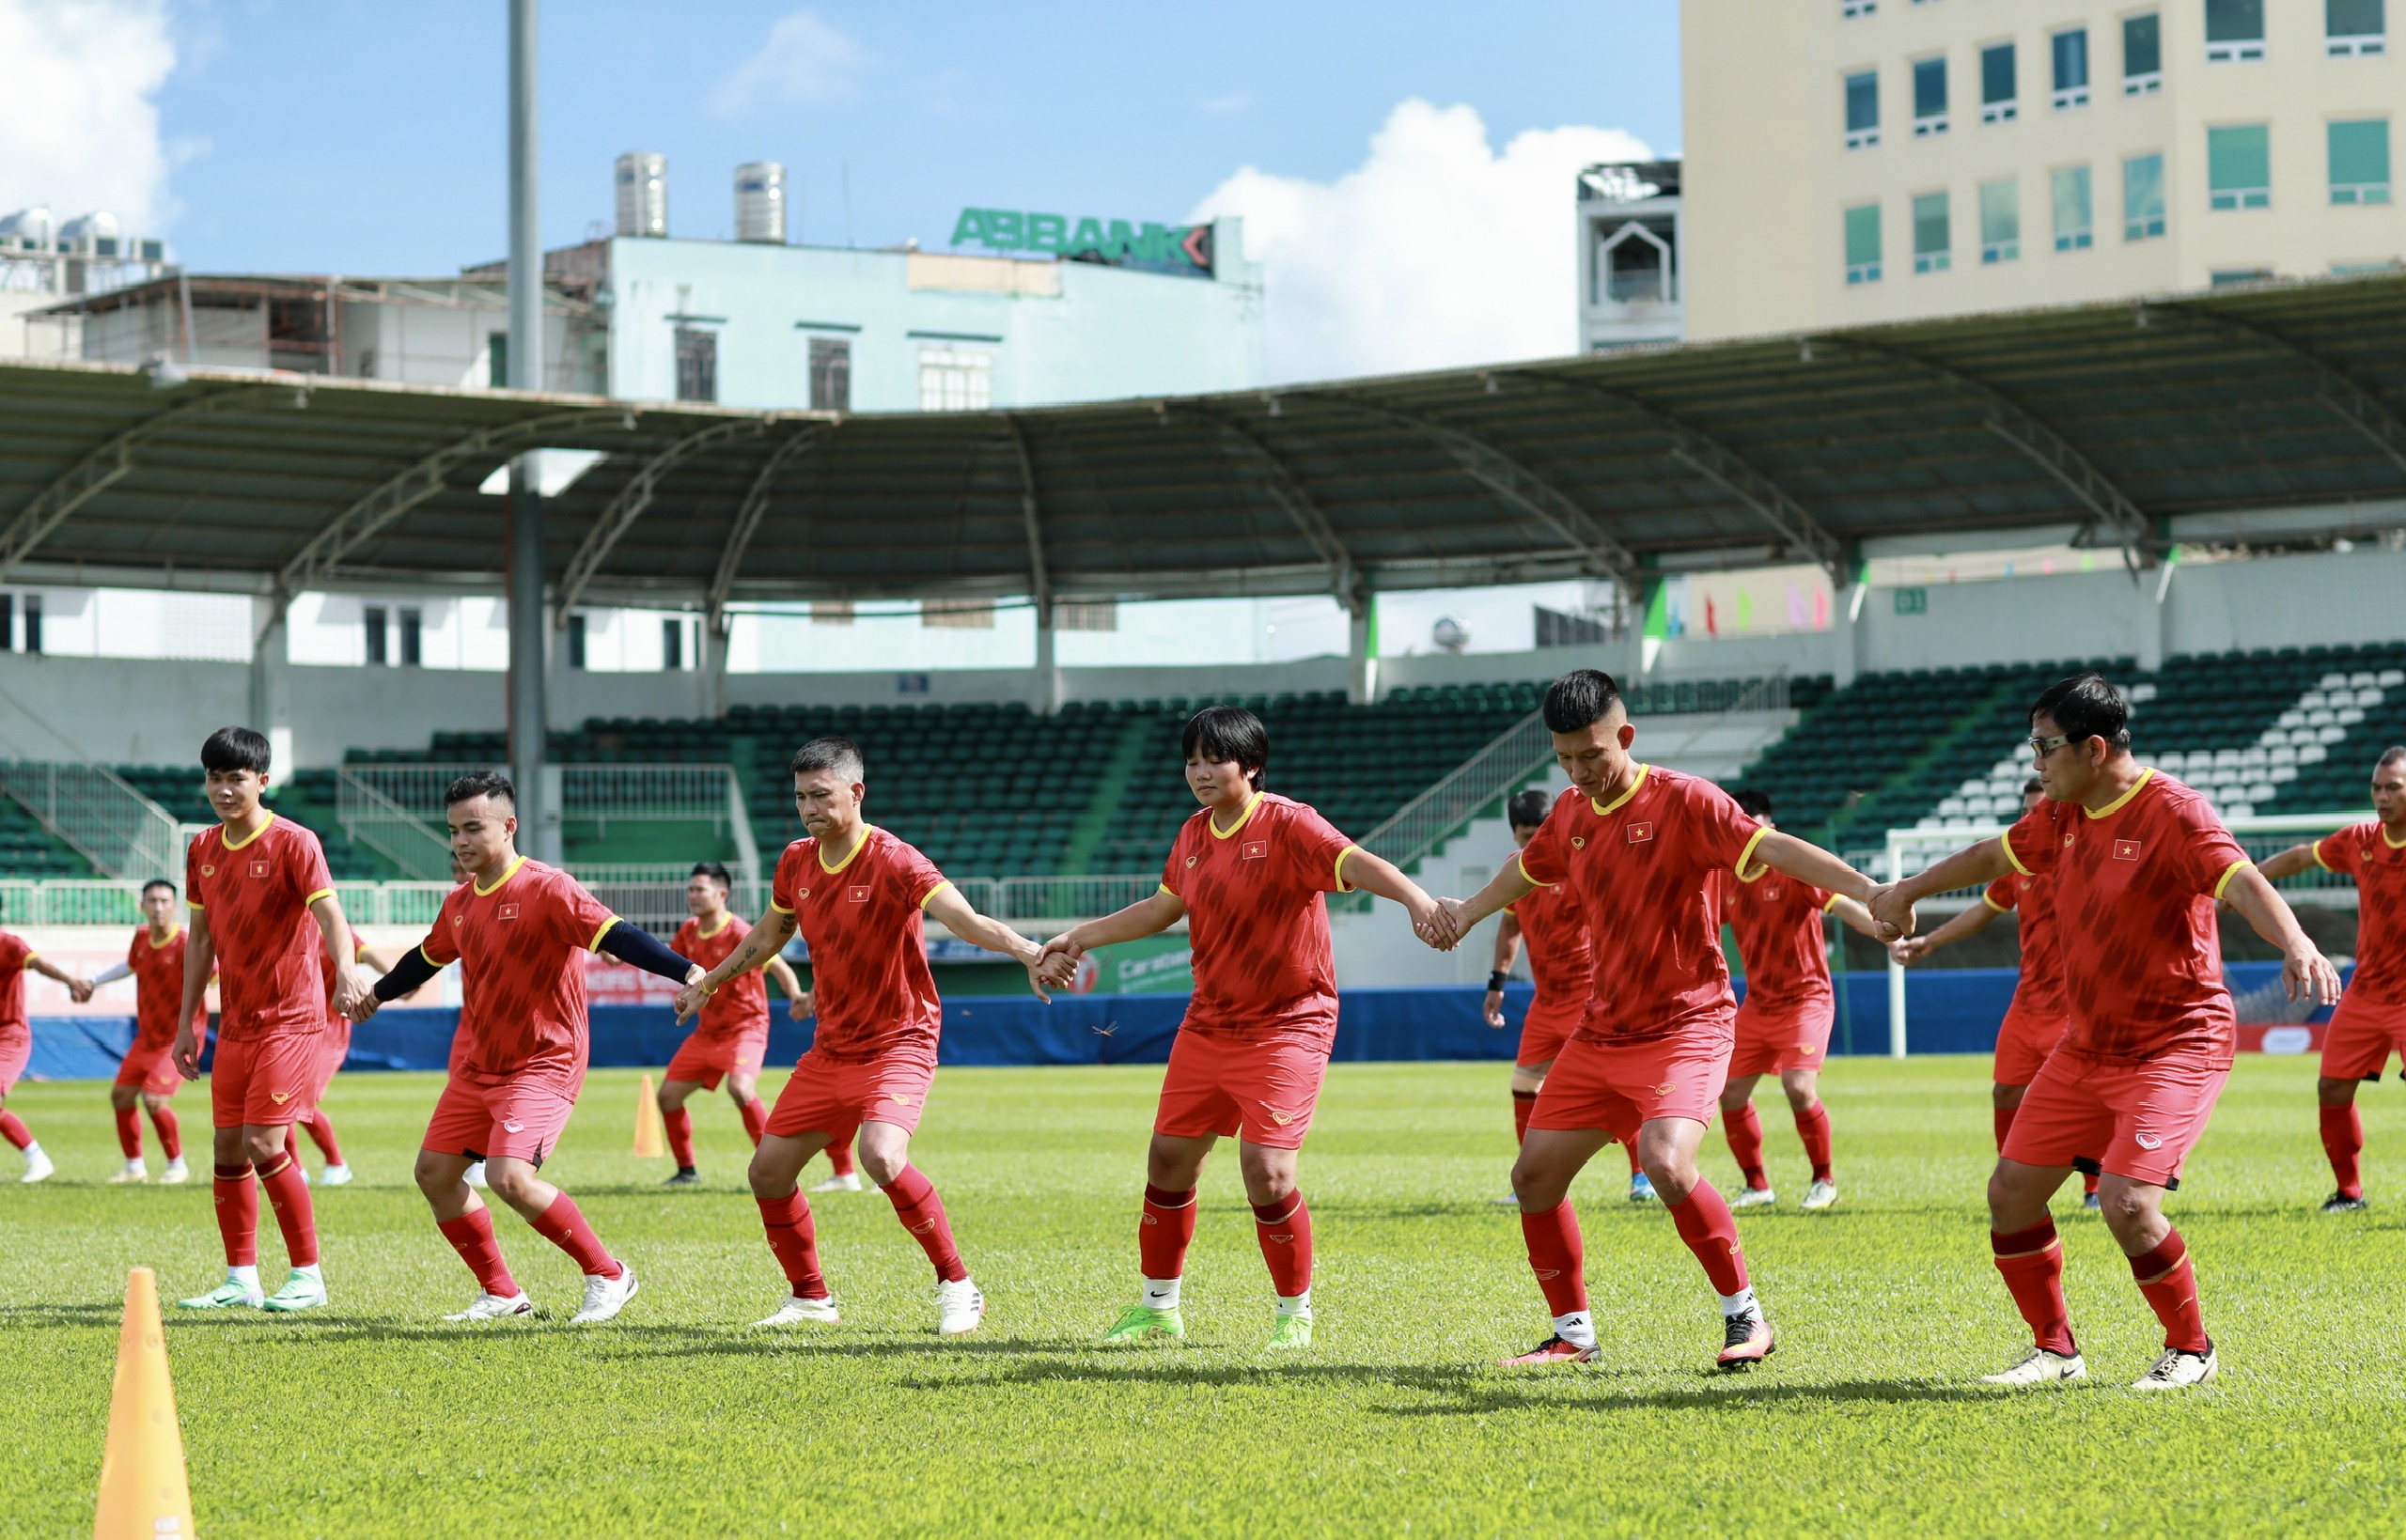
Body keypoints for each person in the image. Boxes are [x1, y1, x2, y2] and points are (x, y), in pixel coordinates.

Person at [1874, 674, 2340, 1391]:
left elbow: (2242, 879)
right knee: (2010, 1195)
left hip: (2178, 1041)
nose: (2036, 762)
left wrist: (2296, 939)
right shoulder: (2061, 815)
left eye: (2044, 747)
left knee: (2126, 1202)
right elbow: (1993, 856)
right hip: (2087, 1043)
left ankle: (2192, 1346)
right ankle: (2057, 1351)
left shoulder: (2174, 811)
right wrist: (1908, 890)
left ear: (2094, 748)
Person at [1432, 670, 1901, 1372]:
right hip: (1602, 1031)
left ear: (1625, 736)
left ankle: (1747, 1316)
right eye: (1564, 758)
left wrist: (1870, 889)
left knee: (1665, 1161)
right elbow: (1525, 871)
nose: (1579, 771)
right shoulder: (1568, 814)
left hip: (1689, 1024)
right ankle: (1573, 1334)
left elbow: (1773, 848)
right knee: (1533, 1176)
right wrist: (1466, 912)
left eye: (1591, 754)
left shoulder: (1685, 800)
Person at [1039, 706, 1452, 1351]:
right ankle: (1157, 1308)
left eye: (1214, 759)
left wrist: (1418, 901)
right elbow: (1162, 907)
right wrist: (1080, 935)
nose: (1199, 772)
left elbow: (1358, 861)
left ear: (1251, 765)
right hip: (1211, 1024)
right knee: (1169, 1159)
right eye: (1191, 760)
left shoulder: (1289, 823)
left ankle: (1295, 1315)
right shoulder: (1194, 833)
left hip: (1291, 1022)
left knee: (1268, 1171)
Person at [676, 737, 1050, 1336]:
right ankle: (810, 1298)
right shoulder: (796, 860)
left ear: (857, 792)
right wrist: (711, 983)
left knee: (880, 1156)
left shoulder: (897, 860)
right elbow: (769, 936)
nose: (809, 808)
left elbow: (965, 919)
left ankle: (958, 1285)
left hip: (900, 1040)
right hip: (832, 1049)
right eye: (800, 797)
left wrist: (1029, 950)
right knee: (767, 1173)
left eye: (821, 795)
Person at [356, 770, 705, 1324]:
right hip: (481, 1067)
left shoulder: (547, 887)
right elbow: (426, 959)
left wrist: (686, 970)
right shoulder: (460, 903)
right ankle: (502, 1294)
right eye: (453, 831)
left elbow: (618, 934)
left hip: (545, 1061)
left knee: (509, 1178)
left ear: (509, 825)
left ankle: (609, 1275)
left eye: (473, 828)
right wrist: (375, 994)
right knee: (434, 1174)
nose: (461, 841)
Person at [173, 727, 371, 1313]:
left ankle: (308, 1276)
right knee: (227, 1148)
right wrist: (189, 1022)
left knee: (265, 1139)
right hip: (234, 1021)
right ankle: (241, 1278)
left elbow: (332, 915)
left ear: (262, 782)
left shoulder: (294, 842)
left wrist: (348, 971)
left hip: (291, 1017)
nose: (224, 790)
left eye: (237, 779)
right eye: (215, 777)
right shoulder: (202, 848)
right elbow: (200, 941)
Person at [1893, 777, 2101, 1211]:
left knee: (2083, 1102)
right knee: (2005, 1092)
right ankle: (2014, 1182)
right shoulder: (2019, 867)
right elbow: (1982, 912)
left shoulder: (2087, 859)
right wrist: (1928, 942)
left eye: (2039, 810)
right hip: (2026, 1006)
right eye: (2026, 812)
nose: (2031, 819)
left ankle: (2093, 1191)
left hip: (2076, 1007)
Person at [1715, 789, 1887, 1212]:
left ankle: (1823, 1180)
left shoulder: (1793, 872)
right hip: (1759, 1003)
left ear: (1770, 828)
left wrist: (1885, 930)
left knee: (1797, 1086)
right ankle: (1758, 1186)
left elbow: (1844, 906)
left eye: (1757, 828)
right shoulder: (1726, 881)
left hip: (1807, 998)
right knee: (1731, 1092)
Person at [1483, 787, 1654, 1206]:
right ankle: (1535, 1179)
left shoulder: (1578, 863)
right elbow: (1510, 929)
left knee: (1620, 1088)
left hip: (1590, 996)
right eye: (1524, 836)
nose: (1532, 842)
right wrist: (1497, 983)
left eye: (1538, 831)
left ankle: (1641, 1177)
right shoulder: (1515, 871)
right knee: (1524, 1084)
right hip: (1546, 1001)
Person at [2254, 745, 2406, 1213]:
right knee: (2332, 1089)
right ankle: (2349, 1192)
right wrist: (2247, 882)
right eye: (2377, 788)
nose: (2382, 797)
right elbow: (2302, 857)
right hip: (2366, 991)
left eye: (2393, 788)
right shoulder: (2361, 838)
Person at [659, 861, 811, 1189]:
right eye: (691, 889)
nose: (693, 895)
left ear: (722, 893)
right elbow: (675, 967)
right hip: (707, 1033)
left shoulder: (740, 931)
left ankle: (774, 1167)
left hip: (746, 1028)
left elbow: (779, 967)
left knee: (740, 1088)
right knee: (667, 1097)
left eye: (700, 889)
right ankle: (687, 1171)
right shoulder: (688, 931)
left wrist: (796, 994)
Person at [87, 879, 204, 1184]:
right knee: (121, 1095)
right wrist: (95, 982)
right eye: (152, 901)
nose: (158, 907)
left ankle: (176, 1164)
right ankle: (134, 1166)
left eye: (165, 901)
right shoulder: (140, 938)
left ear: (175, 906)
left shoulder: (187, 944)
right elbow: (129, 966)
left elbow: (217, 976)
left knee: (154, 1100)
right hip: (147, 1037)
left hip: (178, 1038)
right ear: (142, 906)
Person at [293, 930, 398, 1187]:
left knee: (296, 1101)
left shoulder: (334, 931)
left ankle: (336, 1164)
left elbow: (366, 952)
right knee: (278, 1099)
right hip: (294, 1031)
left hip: (329, 1034)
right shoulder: (289, 931)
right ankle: (295, 1170)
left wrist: (398, 983)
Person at [1, 904, 97, 1184]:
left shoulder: (8, 943)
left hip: (9, 1035)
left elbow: (38, 963)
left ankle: (37, 1158)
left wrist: (69, 981)